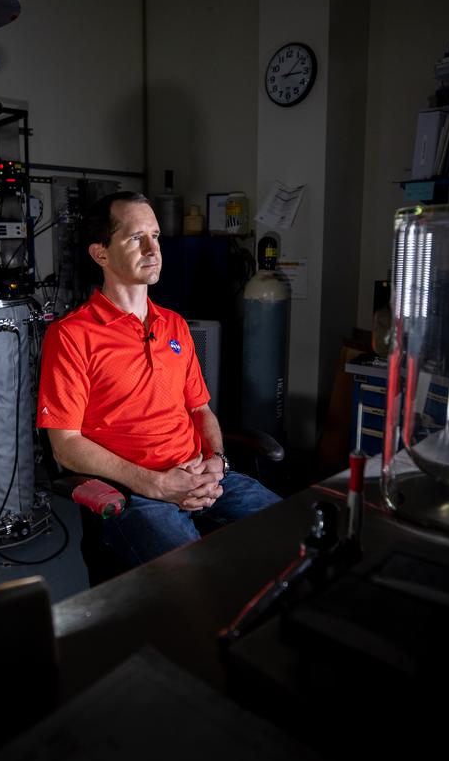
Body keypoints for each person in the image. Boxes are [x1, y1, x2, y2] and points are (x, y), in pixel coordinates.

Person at [37, 191, 280, 565]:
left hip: (202, 474)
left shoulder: (175, 324)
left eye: (156, 236)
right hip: (137, 494)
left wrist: (216, 462)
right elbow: (65, 445)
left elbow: (201, 410)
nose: (153, 248)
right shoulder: (71, 335)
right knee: (196, 580)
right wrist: (155, 484)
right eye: (136, 238)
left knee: (295, 531)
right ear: (101, 253)